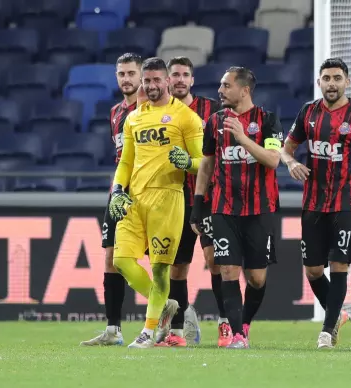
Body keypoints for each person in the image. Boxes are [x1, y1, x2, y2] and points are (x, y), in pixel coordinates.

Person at [279, 58, 351, 349]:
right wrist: (290, 164)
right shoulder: (308, 112)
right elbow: (286, 149)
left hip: (345, 202)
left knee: (339, 265)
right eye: (326, 78)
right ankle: (338, 314)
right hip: (313, 202)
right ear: (319, 82)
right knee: (313, 270)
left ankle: (327, 331)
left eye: (337, 78)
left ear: (347, 82)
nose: (332, 83)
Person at [109, 57, 205, 348]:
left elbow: (205, 163)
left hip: (168, 199)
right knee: (121, 261)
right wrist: (117, 189)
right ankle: (162, 305)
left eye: (155, 80)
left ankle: (148, 332)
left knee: (161, 268)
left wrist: (188, 162)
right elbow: (126, 161)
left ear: (167, 81)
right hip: (134, 199)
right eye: (146, 80)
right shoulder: (134, 118)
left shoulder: (186, 117)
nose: (150, 86)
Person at [191, 66, 282, 349]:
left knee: (256, 277)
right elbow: (206, 163)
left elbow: (272, 160)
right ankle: (237, 335)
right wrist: (198, 203)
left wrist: (243, 138)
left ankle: (244, 322)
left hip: (259, 209)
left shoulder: (268, 120)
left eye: (226, 85)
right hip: (223, 208)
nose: (220, 90)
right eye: (220, 85)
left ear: (244, 90)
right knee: (227, 270)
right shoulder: (214, 121)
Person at [152, 56, 224, 347]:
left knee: (216, 262)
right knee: (177, 267)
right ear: (168, 80)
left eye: (185, 74)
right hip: (173, 199)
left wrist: (193, 162)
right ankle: (178, 332)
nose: (180, 79)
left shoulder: (212, 110)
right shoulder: (157, 111)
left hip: (207, 197)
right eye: (175, 75)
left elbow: (223, 151)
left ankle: (226, 323)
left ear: (192, 80)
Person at [81, 53, 141, 347]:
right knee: (110, 258)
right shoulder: (116, 112)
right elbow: (121, 158)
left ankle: (177, 315)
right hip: (119, 194)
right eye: (122, 74)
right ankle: (113, 329)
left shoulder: (152, 109)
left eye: (131, 73)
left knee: (158, 261)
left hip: (149, 194)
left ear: (141, 76)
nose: (126, 79)